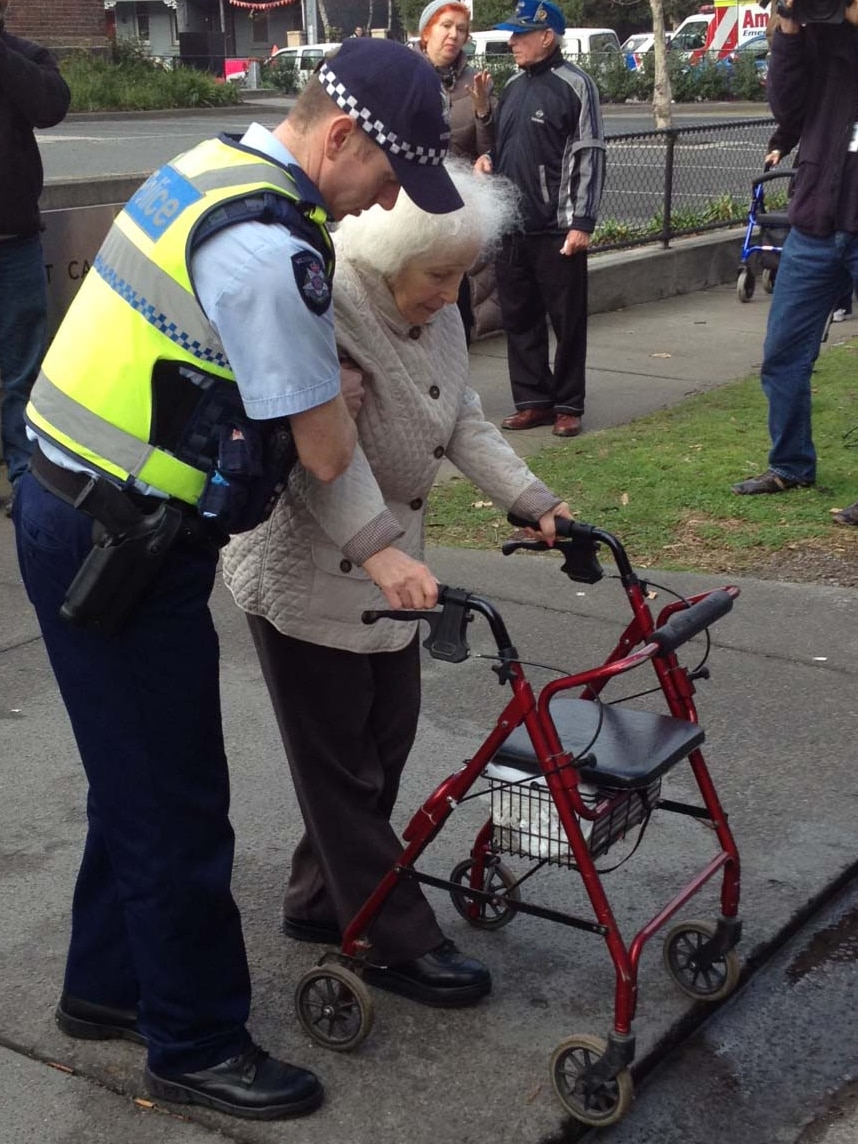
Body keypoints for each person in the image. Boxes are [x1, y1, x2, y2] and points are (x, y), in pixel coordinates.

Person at [14, 38, 462, 1121]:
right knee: (177, 802)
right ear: (341, 135)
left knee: (136, 778)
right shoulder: (272, 251)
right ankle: (196, 1038)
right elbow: (320, 452)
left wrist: (316, 382)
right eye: (389, 175)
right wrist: (382, 546)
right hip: (121, 545)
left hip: (75, 509)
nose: (383, 205)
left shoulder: (207, 170)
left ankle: (105, 988)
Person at [222, 161, 571, 1008]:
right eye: (440, 275)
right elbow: (318, 461)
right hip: (311, 570)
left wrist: (533, 501)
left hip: (392, 575)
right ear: (385, 261)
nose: (455, 294)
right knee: (340, 769)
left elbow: (464, 420)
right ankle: (392, 936)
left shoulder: (436, 313)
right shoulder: (329, 303)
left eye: (464, 274)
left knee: (382, 746)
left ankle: (318, 901)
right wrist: (381, 547)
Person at [731, 3, 858, 527]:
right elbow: (788, 109)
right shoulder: (820, 38)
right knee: (783, 351)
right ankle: (790, 465)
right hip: (817, 216)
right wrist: (789, 26)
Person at [475, 0, 605, 440]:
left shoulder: (576, 85)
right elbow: (502, 145)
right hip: (513, 226)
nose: (511, 42)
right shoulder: (512, 86)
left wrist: (582, 220)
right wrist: (488, 158)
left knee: (567, 320)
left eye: (519, 34)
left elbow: (589, 153)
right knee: (519, 317)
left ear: (546, 36)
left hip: (558, 226)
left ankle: (569, 404)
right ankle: (533, 401)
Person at [0, 0, 70, 516]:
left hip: (14, 242)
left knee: (19, 371)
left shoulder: (24, 56)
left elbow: (51, 106)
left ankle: (25, 477)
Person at [417, 0, 496, 342]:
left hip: (459, 204)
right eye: (445, 26)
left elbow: (488, 147)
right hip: (413, 206)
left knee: (457, 299)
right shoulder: (405, 75)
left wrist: (482, 111)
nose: (453, 35)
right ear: (426, 32)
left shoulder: (477, 82)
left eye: (461, 29)